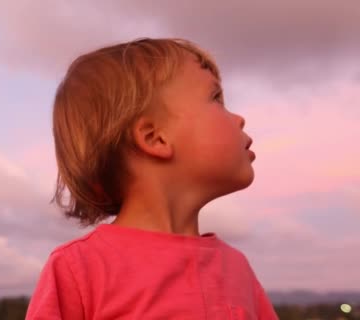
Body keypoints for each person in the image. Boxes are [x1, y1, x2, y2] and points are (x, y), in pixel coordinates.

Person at [25, 38, 278, 319]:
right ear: (154, 137)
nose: (239, 118)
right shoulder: (78, 269)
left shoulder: (237, 270)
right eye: (216, 98)